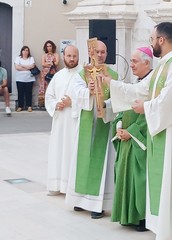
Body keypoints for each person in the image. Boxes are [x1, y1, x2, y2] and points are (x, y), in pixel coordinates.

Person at [103, 22, 172, 239]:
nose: (151, 43)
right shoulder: (164, 66)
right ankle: (165, 225)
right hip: (165, 134)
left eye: (151, 39)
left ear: (161, 40)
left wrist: (145, 107)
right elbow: (142, 90)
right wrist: (113, 84)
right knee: (167, 182)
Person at [66, 40, 119, 219]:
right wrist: (88, 91)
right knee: (83, 161)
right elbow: (76, 93)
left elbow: (118, 99)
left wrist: (106, 105)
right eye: (97, 52)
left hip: (104, 124)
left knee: (102, 163)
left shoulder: (113, 75)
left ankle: (98, 204)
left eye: (103, 52)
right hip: (87, 123)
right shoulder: (83, 73)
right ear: (91, 53)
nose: (100, 55)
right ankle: (80, 200)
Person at [111, 47, 153, 231]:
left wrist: (133, 131)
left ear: (147, 63)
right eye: (131, 61)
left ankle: (141, 217)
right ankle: (126, 216)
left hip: (139, 140)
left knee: (139, 178)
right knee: (124, 176)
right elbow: (122, 108)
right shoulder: (135, 85)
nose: (132, 65)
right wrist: (119, 127)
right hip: (126, 138)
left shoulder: (152, 86)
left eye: (135, 61)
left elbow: (151, 113)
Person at [45, 45, 82, 196]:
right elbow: (49, 96)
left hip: (74, 120)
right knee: (58, 150)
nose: (72, 59)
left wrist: (71, 103)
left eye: (74, 56)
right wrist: (56, 105)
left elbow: (88, 98)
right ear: (64, 56)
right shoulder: (58, 75)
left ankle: (69, 187)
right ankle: (55, 184)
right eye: (69, 56)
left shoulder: (83, 74)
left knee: (70, 152)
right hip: (60, 120)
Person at [14, 46, 36, 112]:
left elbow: (32, 66)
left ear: (28, 52)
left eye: (27, 50)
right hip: (20, 79)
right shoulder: (18, 58)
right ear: (21, 51)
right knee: (20, 93)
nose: (25, 52)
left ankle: (29, 106)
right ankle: (20, 106)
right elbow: (17, 67)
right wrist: (27, 68)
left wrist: (22, 66)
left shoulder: (31, 58)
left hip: (29, 79)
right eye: (24, 50)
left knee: (28, 93)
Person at [38, 40, 60, 108]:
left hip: (53, 73)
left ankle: (52, 103)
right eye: (47, 46)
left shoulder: (56, 55)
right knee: (44, 88)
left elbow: (56, 63)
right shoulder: (44, 55)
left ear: (52, 47)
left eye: (50, 46)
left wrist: (47, 63)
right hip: (44, 74)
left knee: (52, 87)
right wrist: (51, 63)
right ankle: (44, 104)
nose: (49, 48)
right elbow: (43, 64)